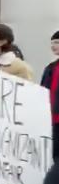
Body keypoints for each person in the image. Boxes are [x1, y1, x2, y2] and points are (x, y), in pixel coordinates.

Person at [41, 31, 59, 162]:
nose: (53, 46)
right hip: (51, 119)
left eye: (57, 42)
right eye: (52, 43)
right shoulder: (51, 67)